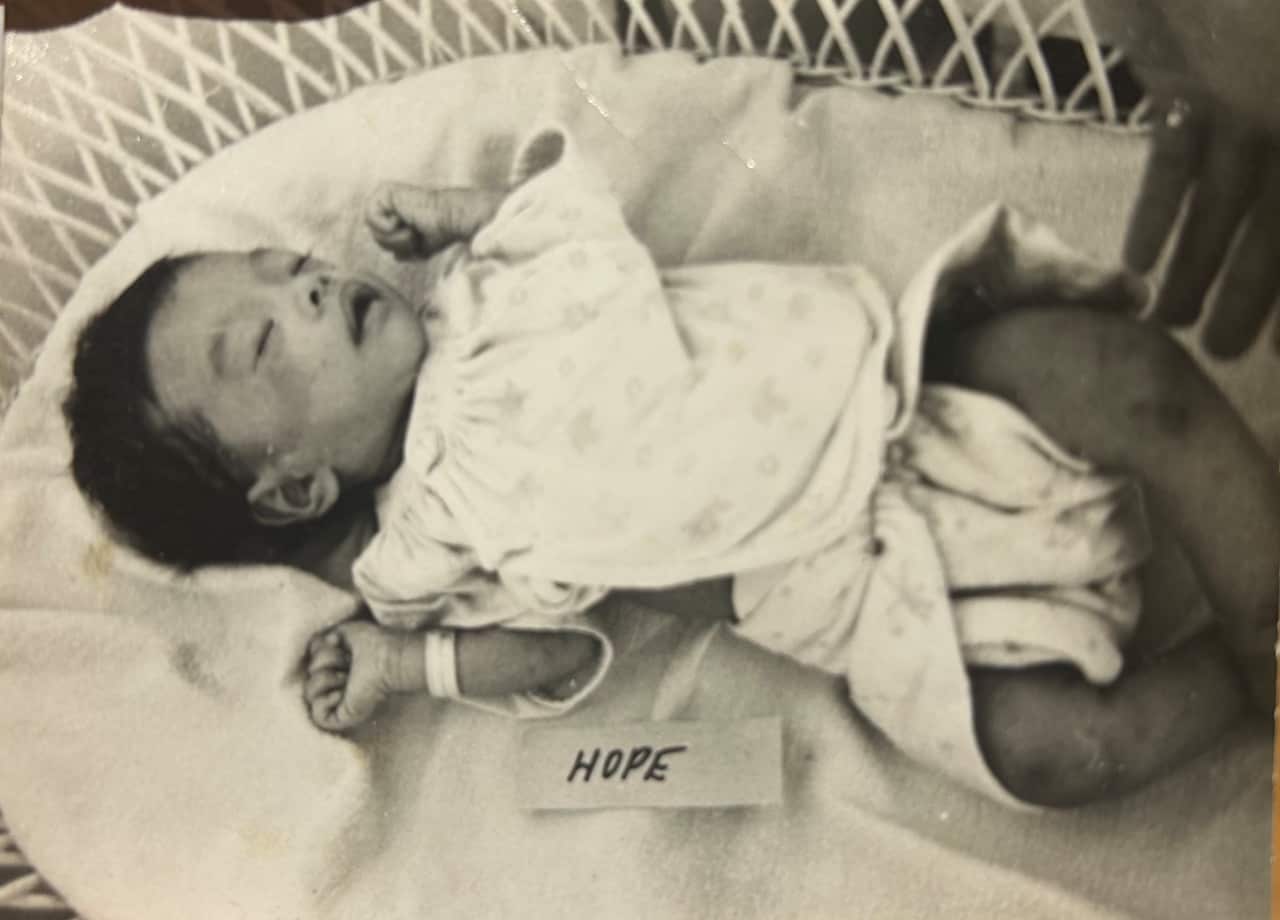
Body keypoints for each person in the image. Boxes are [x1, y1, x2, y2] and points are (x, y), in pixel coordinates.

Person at [64, 127, 1277, 808]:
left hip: (910, 397)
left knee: (1111, 368)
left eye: (282, 265)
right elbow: (552, 650)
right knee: (1045, 751)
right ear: (291, 489)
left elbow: (567, 215)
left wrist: (463, 206)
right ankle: (1241, 679)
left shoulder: (481, 293)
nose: (310, 280)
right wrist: (402, 658)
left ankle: (1264, 595)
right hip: (861, 597)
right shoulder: (422, 548)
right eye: (266, 337)